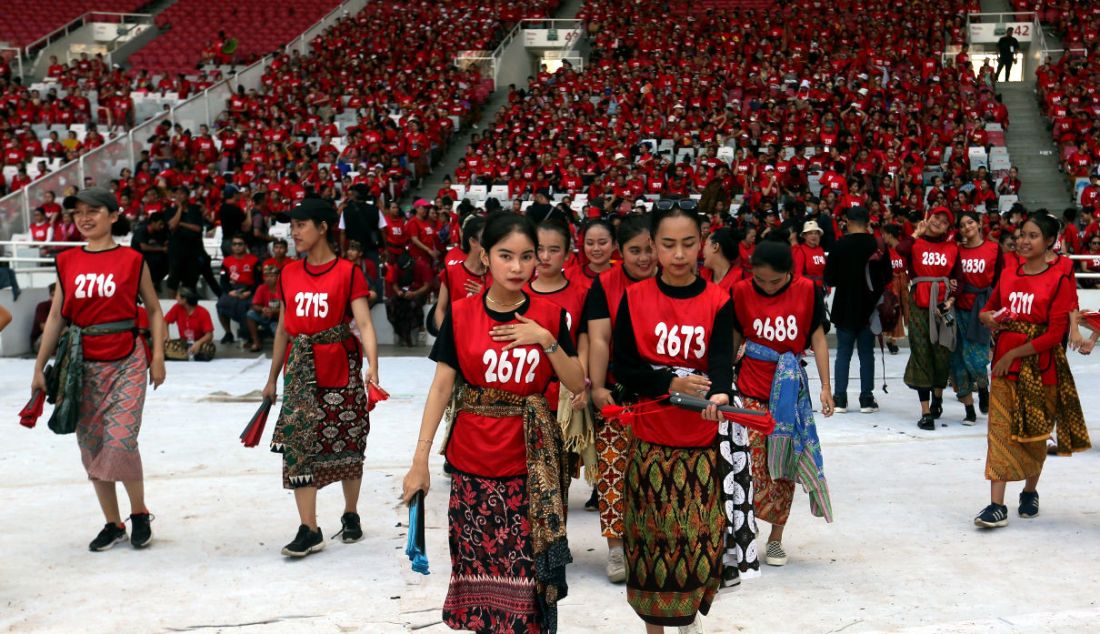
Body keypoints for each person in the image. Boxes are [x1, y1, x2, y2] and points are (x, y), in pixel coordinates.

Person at [401, 212, 584, 633]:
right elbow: (441, 388)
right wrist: (420, 459)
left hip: (528, 468)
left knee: (526, 574)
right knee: (476, 568)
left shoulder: (551, 316)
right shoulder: (462, 315)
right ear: (485, 257)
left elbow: (576, 384)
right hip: (471, 465)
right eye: (506, 256)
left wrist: (545, 340)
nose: (517, 267)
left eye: (526, 257)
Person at [611, 204, 733, 633]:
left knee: (696, 542)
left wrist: (719, 393)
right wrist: (668, 384)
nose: (679, 254)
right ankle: (655, 628)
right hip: (650, 446)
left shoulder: (718, 300)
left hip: (698, 448)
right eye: (668, 245)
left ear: (701, 244)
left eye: (687, 244)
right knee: (649, 547)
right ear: (654, 248)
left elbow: (720, 365)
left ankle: (687, 617)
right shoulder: (635, 298)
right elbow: (623, 366)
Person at [31, 187, 166, 551]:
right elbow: (58, 316)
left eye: (93, 211)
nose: (85, 219)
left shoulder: (132, 260)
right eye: (78, 214)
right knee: (90, 444)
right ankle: (113, 522)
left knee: (121, 440)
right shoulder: (68, 261)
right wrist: (39, 367)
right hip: (82, 363)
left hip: (127, 357)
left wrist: (157, 357)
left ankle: (139, 513)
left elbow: (154, 310)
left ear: (113, 215)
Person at [260, 199, 379, 557]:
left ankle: (351, 512)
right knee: (298, 447)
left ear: (324, 227)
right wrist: (270, 379)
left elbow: (364, 323)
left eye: (301, 225)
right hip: (299, 372)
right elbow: (283, 329)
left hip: (340, 368)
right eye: (292, 226)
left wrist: (374, 365)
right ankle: (309, 528)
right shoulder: (288, 273)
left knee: (348, 438)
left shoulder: (348, 272)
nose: (294, 232)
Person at [974, 213, 1090, 528]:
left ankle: (1029, 491)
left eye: (1033, 235)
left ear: (1050, 242)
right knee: (998, 434)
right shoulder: (1009, 273)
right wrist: (989, 319)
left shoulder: (1059, 279)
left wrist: (1013, 353)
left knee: (1034, 437)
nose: (1024, 240)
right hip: (1003, 368)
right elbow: (988, 309)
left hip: (1041, 369)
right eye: (1022, 234)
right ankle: (996, 505)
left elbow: (1054, 335)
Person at [733, 239, 834, 570]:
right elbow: (734, 337)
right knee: (745, 467)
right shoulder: (741, 292)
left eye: (774, 281)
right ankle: (740, 533)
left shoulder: (807, 290)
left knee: (782, 470)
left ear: (789, 273)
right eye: (760, 280)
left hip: (788, 395)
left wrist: (826, 388)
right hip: (749, 391)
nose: (766, 287)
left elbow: (817, 338)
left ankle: (775, 539)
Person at [584, 215, 656, 583]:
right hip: (619, 392)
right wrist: (597, 387)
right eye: (634, 251)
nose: (644, 258)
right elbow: (598, 339)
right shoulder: (605, 285)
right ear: (619, 252)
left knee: (656, 473)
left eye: (649, 249)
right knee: (614, 470)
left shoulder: (678, 281)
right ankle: (616, 550)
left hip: (665, 396)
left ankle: (653, 543)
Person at [897, 207, 960, 430]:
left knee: (942, 352)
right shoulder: (914, 243)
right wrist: (916, 233)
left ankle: (938, 398)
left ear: (948, 228)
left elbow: (958, 279)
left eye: (945, 221)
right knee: (921, 351)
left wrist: (950, 301)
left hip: (943, 305)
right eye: (936, 217)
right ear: (928, 217)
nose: (939, 222)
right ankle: (925, 411)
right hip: (919, 303)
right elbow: (899, 249)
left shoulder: (953, 248)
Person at [823, 207, 889, 413]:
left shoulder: (839, 245)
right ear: (867, 222)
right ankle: (866, 399)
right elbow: (887, 276)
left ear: (849, 222)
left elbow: (830, 278)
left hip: (845, 305)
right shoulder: (876, 244)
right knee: (867, 353)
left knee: (843, 353)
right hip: (869, 307)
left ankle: (840, 399)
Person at [950, 212, 1001, 423]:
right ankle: (968, 408)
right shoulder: (956, 251)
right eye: (961, 225)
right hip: (958, 309)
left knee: (978, 358)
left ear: (979, 223)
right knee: (957, 360)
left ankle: (982, 386)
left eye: (970, 222)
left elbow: (1000, 281)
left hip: (982, 310)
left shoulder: (994, 249)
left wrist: (995, 311)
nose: (966, 227)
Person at [432, 215, 487, 331]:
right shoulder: (451, 272)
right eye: (486, 239)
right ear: (472, 241)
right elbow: (440, 309)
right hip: (457, 337)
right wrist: (445, 337)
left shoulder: (497, 274)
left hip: (485, 339)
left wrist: (486, 295)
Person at [384, 253, 433, 346]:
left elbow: (427, 286)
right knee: (391, 304)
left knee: (414, 305)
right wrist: (398, 291)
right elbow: (394, 283)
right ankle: (399, 331)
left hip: (419, 292)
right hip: (403, 292)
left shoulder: (422, 265)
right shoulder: (397, 267)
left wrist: (414, 293)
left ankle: (421, 329)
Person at [216, 237, 259, 343]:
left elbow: (259, 281)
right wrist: (230, 292)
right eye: (234, 244)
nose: (237, 247)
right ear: (231, 247)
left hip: (249, 290)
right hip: (232, 290)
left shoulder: (254, 260)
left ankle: (248, 335)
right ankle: (228, 333)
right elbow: (223, 280)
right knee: (220, 304)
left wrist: (249, 292)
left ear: (245, 246)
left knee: (247, 306)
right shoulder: (226, 261)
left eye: (240, 244)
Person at [163, 287, 216, 361]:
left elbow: (209, 335)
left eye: (178, 296)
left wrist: (198, 343)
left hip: (200, 342)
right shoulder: (177, 308)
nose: (176, 298)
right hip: (183, 342)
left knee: (207, 349)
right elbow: (165, 321)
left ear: (185, 299)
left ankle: (182, 355)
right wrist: (166, 336)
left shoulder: (203, 312)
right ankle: (189, 355)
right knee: (163, 346)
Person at [882, 225, 910, 354]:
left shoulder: (903, 249)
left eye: (884, 234)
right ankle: (891, 340)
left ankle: (891, 339)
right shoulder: (884, 251)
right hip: (890, 285)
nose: (883, 237)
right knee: (893, 311)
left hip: (903, 284)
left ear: (889, 235)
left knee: (906, 311)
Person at [245, 265, 282, 351]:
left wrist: (274, 311)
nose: (268, 278)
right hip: (265, 316)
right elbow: (254, 305)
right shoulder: (261, 288)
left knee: (278, 335)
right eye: (267, 276)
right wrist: (263, 309)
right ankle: (256, 342)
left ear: (278, 277)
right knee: (250, 314)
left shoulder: (284, 288)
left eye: (272, 276)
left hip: (278, 320)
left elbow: (289, 308)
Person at [792, 220, 827, 291]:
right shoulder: (800, 250)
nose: (813, 236)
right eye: (810, 233)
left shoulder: (820, 249)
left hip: (821, 289)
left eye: (816, 233)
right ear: (804, 236)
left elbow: (824, 271)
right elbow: (797, 275)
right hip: (808, 289)